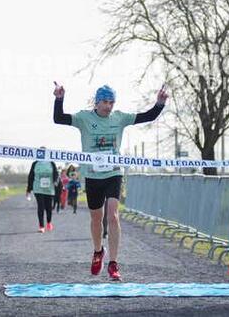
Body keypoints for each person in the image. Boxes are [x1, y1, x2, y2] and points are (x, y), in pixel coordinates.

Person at [53, 82, 168, 280]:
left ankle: (114, 264)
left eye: (111, 102)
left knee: (113, 215)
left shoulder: (119, 117)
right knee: (96, 218)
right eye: (105, 102)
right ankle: (98, 251)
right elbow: (59, 119)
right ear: (97, 103)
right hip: (93, 175)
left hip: (114, 173)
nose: (108, 106)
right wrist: (59, 99)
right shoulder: (84, 118)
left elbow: (147, 117)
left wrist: (159, 104)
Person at [26, 156, 58, 232]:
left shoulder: (51, 163)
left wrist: (56, 181)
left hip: (49, 188)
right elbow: (31, 176)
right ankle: (41, 226)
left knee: (49, 207)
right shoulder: (35, 163)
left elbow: (55, 173)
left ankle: (49, 222)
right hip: (38, 188)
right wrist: (29, 189)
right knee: (41, 206)